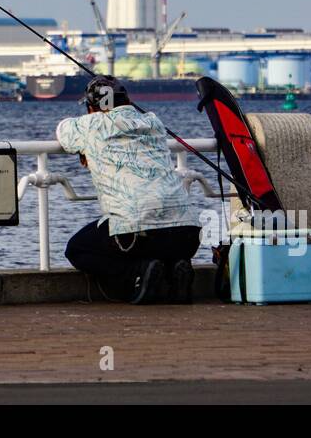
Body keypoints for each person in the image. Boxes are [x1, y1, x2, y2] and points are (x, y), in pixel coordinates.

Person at [56, 75, 202, 304]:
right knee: (161, 239)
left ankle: (138, 272)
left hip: (137, 233)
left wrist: (87, 146)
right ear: (127, 101)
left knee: (77, 249)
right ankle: (176, 268)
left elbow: (63, 130)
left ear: (92, 108)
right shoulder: (154, 122)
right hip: (188, 234)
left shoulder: (91, 124)